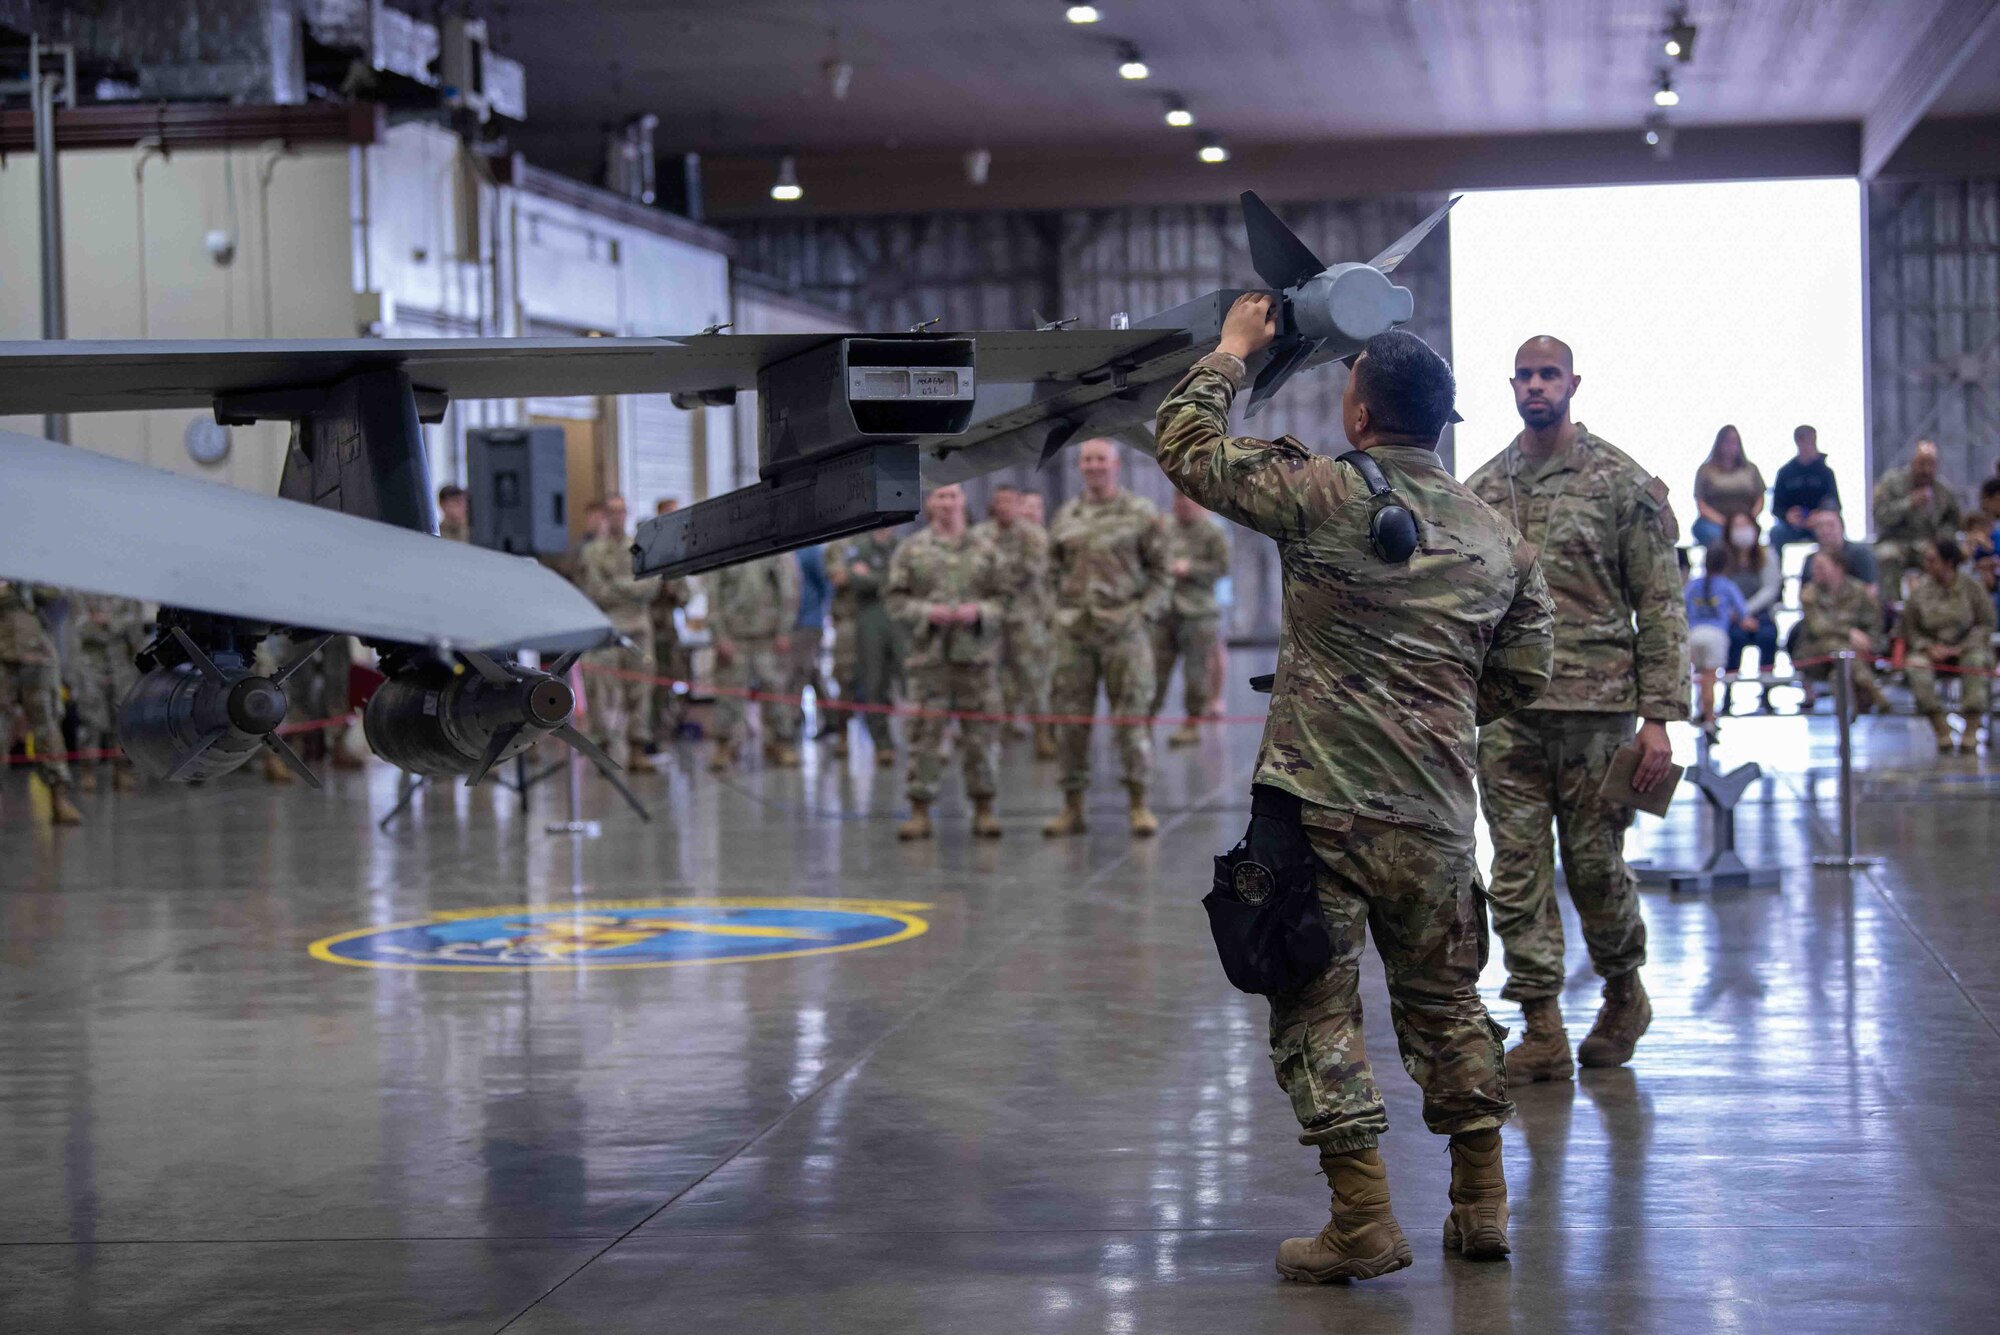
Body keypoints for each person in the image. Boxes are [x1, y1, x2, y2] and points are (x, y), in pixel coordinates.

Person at [1158, 297, 1553, 1280]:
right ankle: (1479, 1205)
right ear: (1443, 421)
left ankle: (1363, 1219)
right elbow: (1524, 675)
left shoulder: (1326, 493)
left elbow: (1185, 444)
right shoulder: (1498, 538)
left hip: (1317, 811)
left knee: (1314, 1006)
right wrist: (1433, 717)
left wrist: (1230, 353)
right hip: (1432, 815)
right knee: (1449, 1008)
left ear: (1362, 417)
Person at [1466, 335, 1688, 1081]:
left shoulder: (1620, 483)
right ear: (1512, 386)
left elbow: (1659, 602)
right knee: (1517, 871)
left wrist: (1659, 716)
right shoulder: (1484, 488)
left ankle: (1625, 992)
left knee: (1595, 868)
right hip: (1507, 713)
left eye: (1548, 373)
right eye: (1525, 375)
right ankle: (1540, 1024)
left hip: (1598, 712)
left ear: (1573, 383)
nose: (1536, 385)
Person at [1044, 438, 1172, 838]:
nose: (1093, 465)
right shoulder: (1066, 516)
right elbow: (1050, 574)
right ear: (1080, 467)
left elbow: (1162, 574)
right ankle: (1072, 807)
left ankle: (1138, 804)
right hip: (1075, 634)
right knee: (1071, 722)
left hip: (1124, 633)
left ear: (1115, 464)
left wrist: (1142, 615)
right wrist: (1056, 615)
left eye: (1100, 458)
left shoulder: (1141, 514)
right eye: (1087, 459)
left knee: (1131, 720)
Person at [885, 484, 1006, 841]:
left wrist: (980, 611)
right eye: (940, 497)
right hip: (929, 660)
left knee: (980, 736)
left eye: (953, 496)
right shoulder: (912, 550)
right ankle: (920, 811)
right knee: (924, 736)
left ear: (963, 501)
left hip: (977, 659)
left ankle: (984, 809)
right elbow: (894, 600)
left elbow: (1008, 600)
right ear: (929, 503)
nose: (947, 503)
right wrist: (926, 612)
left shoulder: (987, 549)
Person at [969, 484, 1054, 754]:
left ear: (1018, 505)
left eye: (1010, 501)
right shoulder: (979, 535)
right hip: (991, 619)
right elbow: (973, 571)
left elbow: (1030, 570)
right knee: (991, 678)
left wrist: (994, 576)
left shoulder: (1034, 535)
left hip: (1026, 617)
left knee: (1033, 677)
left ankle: (1042, 733)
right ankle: (997, 732)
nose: (1004, 507)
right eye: (1000, 502)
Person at [576, 494, 655, 769]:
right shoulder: (592, 552)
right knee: (601, 692)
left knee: (640, 691)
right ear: (604, 515)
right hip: (606, 632)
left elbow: (650, 586)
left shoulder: (640, 548)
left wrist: (616, 586)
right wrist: (629, 587)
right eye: (611, 511)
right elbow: (594, 592)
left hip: (638, 631)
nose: (617, 517)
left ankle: (637, 749)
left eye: (621, 511)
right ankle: (603, 749)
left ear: (627, 514)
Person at [1150, 492, 1232, 746]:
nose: (1182, 504)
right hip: (1165, 611)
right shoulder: (1164, 528)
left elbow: (1223, 567)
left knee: (1196, 672)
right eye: (1177, 499)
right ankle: (1145, 720)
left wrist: (1191, 569)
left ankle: (1192, 723)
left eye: (1186, 499)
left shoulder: (1212, 532)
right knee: (1155, 670)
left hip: (1198, 612)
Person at [707, 553, 801, 770]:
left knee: (775, 692)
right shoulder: (724, 548)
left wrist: (785, 630)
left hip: (768, 636)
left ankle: (780, 742)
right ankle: (725, 745)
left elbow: (789, 591)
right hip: (735, 636)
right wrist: (719, 636)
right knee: (729, 694)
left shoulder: (776, 549)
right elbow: (713, 596)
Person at [0, 582, 82, 824]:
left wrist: (20, 586)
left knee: (47, 727)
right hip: (3, 658)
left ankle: (59, 798)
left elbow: (58, 593)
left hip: (37, 656)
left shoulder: (31, 564)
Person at [1903, 537, 1994, 753]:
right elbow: (1910, 629)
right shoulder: (1920, 593)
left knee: (1976, 663)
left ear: (1948, 563)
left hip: (1967, 648)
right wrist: (1928, 647)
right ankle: (1941, 729)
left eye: (1932, 560)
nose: (1927, 565)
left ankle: (1970, 730)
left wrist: (1961, 647)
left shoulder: (1972, 588)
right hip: (1931, 649)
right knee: (1916, 666)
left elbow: (1986, 624)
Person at [825, 527, 902, 766]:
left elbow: (902, 581)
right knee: (847, 680)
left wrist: (866, 576)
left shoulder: (898, 545)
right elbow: (839, 577)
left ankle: (885, 741)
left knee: (885, 682)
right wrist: (881, 579)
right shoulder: (845, 543)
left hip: (886, 622)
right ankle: (843, 734)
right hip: (850, 622)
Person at [66, 592, 147, 793]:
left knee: (123, 718)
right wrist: (113, 626)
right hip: (90, 667)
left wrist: (107, 622)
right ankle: (88, 770)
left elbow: (135, 625)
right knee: (89, 720)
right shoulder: (81, 591)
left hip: (122, 665)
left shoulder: (127, 592)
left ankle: (123, 770)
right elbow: (81, 627)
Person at [1795, 551, 1885, 716]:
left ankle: (1848, 717)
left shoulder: (1858, 591)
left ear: (1838, 568)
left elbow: (1873, 624)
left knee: (1838, 674)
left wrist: (1869, 643)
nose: (1815, 572)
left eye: (1821, 567)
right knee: (1836, 647)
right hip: (1816, 654)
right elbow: (1819, 628)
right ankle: (1871, 687)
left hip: (1856, 655)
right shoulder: (1809, 594)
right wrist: (1848, 633)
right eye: (1814, 567)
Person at [1872, 440, 1963, 601]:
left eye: (1931, 465)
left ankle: (1936, 604)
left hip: (1927, 542)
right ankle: (1891, 608)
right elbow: (1881, 515)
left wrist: (1942, 536)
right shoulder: (1891, 482)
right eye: (1922, 464)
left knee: (1941, 559)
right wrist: (1909, 503)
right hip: (1894, 539)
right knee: (1887, 557)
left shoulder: (1943, 491)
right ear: (1913, 462)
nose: (1926, 470)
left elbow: (1953, 521)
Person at [1721, 515, 1782, 714]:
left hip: (1760, 614)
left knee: (1768, 636)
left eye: (1745, 526)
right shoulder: (1723, 557)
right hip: (1731, 617)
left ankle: (1766, 692)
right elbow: (1719, 588)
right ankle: (1727, 693)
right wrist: (1737, 614)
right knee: (1734, 638)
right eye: (1736, 526)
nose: (1742, 531)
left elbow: (1770, 590)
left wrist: (1745, 611)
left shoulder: (1767, 555)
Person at [1685, 546, 1747, 727]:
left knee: (1699, 677)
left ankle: (1700, 710)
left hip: (1694, 634)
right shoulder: (1727, 585)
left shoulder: (1693, 584)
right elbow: (1743, 612)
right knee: (1709, 679)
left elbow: (1682, 606)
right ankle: (1709, 719)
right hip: (1716, 634)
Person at [648, 500, 692, 743]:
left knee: (675, 679)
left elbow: (686, 595)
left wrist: (675, 594)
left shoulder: (677, 553)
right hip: (648, 629)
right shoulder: (648, 548)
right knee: (650, 684)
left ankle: (665, 728)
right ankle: (650, 733)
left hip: (669, 630)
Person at [1769, 425, 1839, 560]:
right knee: (1776, 533)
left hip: (1819, 522)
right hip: (1791, 525)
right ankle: (1777, 578)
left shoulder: (1825, 472)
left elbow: (1834, 503)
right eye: (1805, 440)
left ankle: (1835, 568)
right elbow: (1776, 508)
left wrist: (1818, 515)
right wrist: (1788, 516)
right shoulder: (1785, 473)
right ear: (1798, 442)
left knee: (1833, 529)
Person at [1692, 424, 1765, 548]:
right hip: (1713, 522)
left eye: (1734, 442)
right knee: (1719, 538)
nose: (1730, 447)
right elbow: (1701, 505)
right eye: (1727, 442)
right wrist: (1725, 523)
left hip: (1745, 521)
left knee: (1745, 536)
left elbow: (1760, 498)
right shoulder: (1706, 470)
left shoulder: (1750, 469)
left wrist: (1748, 518)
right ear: (1719, 444)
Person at [791, 545, 832, 740]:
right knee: (810, 670)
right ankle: (832, 718)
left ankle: (794, 720)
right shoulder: (787, 550)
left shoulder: (811, 551)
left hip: (809, 622)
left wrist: (820, 613)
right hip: (792, 623)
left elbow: (826, 584)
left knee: (799, 672)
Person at [1806, 507, 1879, 593]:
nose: (1825, 531)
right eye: (1820, 526)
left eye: (1830, 525)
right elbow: (1805, 592)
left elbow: (1871, 589)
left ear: (1842, 527)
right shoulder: (1811, 559)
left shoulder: (1859, 553)